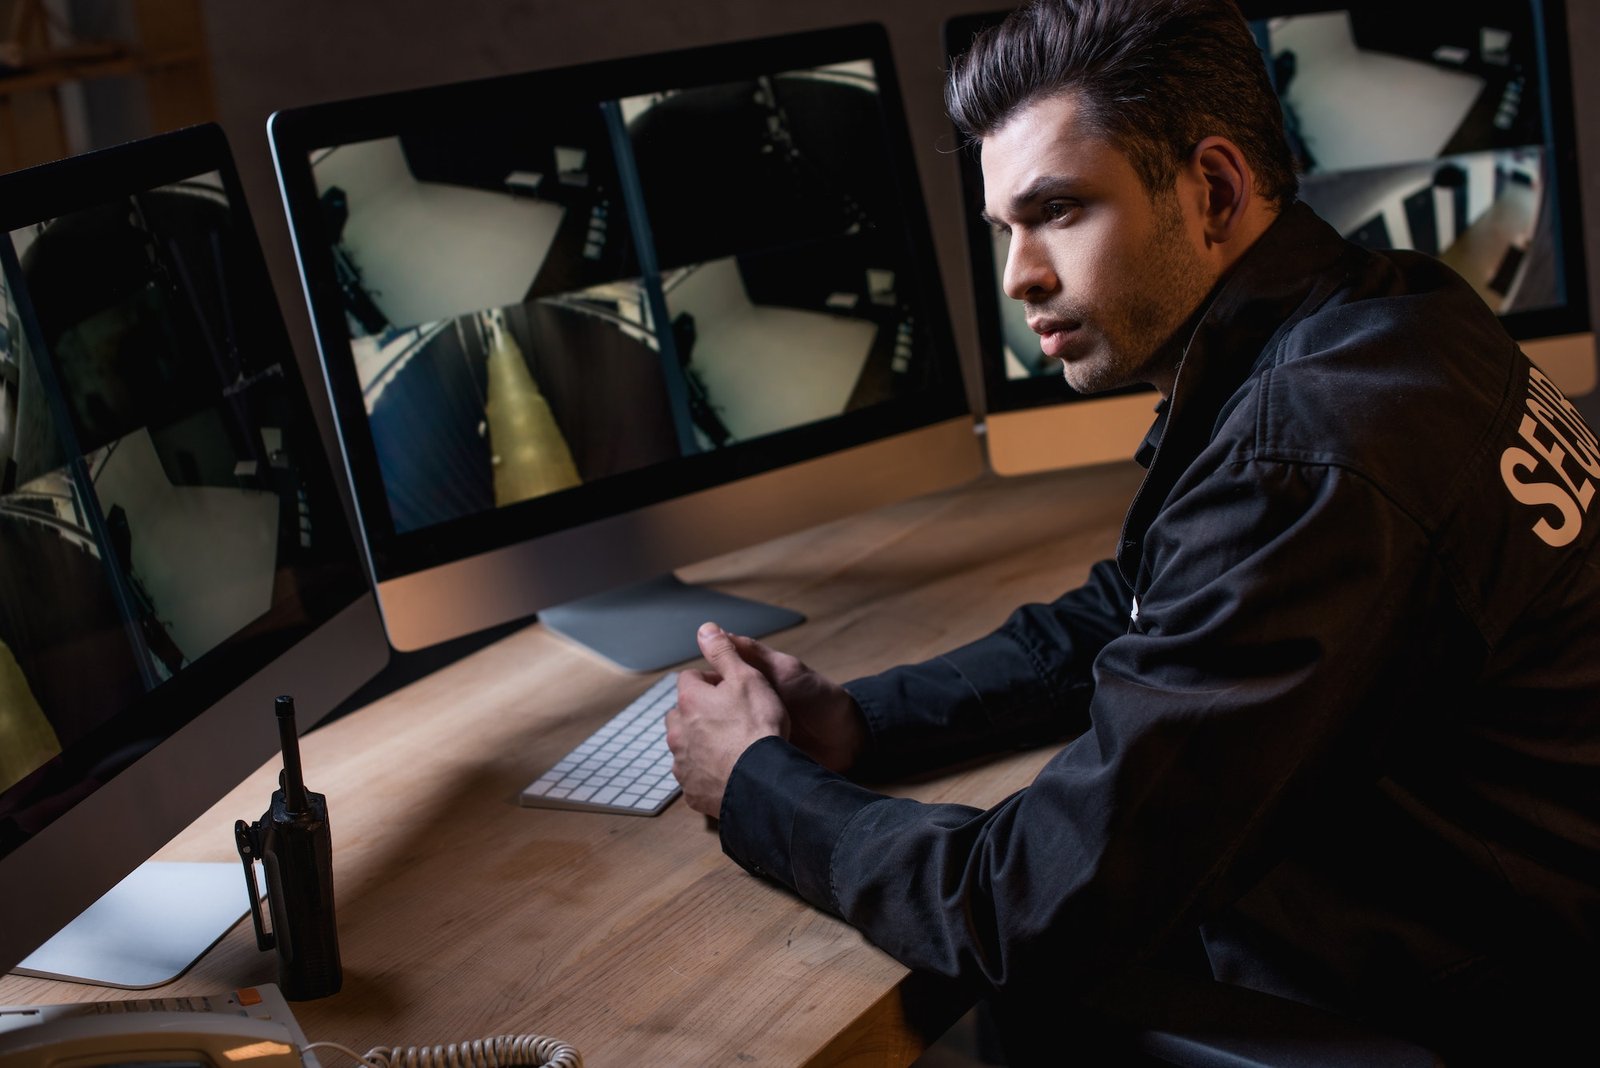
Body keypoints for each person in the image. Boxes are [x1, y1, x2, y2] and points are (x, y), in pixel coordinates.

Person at [664, 0, 1600, 1061]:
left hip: (1469, 1001)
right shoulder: (1392, 316)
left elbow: (1022, 908)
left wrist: (758, 785)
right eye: (1005, 229)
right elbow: (1146, 605)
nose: (1019, 274)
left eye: (1058, 210)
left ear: (1212, 189)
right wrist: (866, 723)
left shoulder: (1306, 453)